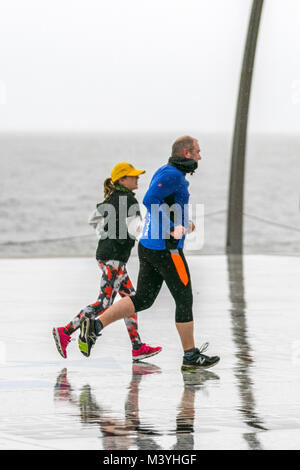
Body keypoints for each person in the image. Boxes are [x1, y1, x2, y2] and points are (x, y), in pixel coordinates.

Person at [78, 137, 220, 370]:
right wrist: (170, 228)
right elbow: (150, 199)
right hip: (166, 249)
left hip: (150, 247)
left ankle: (94, 327)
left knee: (143, 299)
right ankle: (190, 356)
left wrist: (186, 224)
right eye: (197, 152)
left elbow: (165, 205)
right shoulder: (172, 175)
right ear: (186, 153)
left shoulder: (168, 171)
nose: (200, 157)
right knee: (184, 298)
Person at [52, 162, 162, 361]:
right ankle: (65, 331)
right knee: (104, 303)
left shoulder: (111, 199)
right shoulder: (129, 201)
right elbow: (136, 229)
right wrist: (157, 234)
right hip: (114, 259)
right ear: (122, 179)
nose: (137, 179)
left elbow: (93, 220)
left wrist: (106, 233)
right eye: (133, 176)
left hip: (107, 256)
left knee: (130, 300)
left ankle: (137, 347)